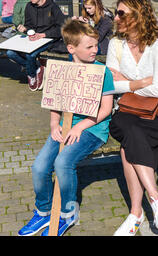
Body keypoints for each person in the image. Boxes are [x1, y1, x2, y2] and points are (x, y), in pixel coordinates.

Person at [17, 19, 114, 236]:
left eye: (95, 45)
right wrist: (54, 124)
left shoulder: (102, 72)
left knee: (63, 163)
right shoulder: (64, 70)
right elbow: (55, 102)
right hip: (64, 126)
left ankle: (68, 212)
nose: (95, 50)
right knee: (39, 167)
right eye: (89, 47)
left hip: (92, 129)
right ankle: (43, 212)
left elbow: (106, 109)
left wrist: (81, 127)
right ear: (72, 49)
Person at [106, 0, 158, 235]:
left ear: (137, 16)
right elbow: (109, 85)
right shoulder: (116, 45)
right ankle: (155, 199)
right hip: (124, 109)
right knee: (130, 131)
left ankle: (136, 213)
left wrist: (126, 81)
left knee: (128, 145)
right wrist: (138, 83)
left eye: (121, 13)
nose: (115, 18)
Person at [6, 0, 67, 91]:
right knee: (10, 53)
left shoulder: (53, 7)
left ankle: (32, 75)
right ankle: (35, 69)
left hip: (49, 39)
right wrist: (25, 29)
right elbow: (29, 25)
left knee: (30, 55)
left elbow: (62, 27)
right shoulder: (29, 6)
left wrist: (44, 35)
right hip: (34, 38)